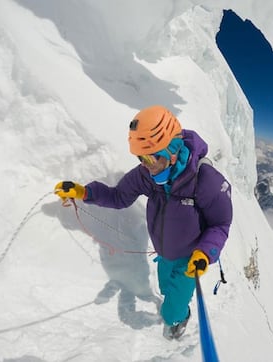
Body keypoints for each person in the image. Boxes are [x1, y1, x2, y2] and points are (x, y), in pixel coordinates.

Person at [54, 105, 233, 340]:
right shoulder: (147, 175)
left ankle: (179, 319)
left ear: (173, 150)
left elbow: (220, 223)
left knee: (172, 310)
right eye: (141, 158)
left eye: (150, 157)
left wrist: (205, 253)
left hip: (191, 261)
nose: (146, 165)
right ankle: (175, 305)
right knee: (165, 289)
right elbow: (119, 196)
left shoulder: (206, 181)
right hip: (164, 253)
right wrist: (84, 192)